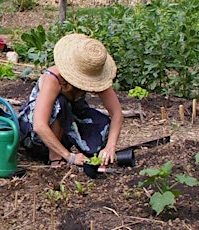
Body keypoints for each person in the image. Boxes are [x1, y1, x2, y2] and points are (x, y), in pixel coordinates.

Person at [18, 33, 123, 167]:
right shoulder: (53, 78)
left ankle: (72, 149)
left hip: (69, 124)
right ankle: (55, 157)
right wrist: (70, 156)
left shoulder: (95, 75)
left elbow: (117, 114)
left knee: (102, 124)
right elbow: (39, 125)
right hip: (36, 133)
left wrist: (110, 147)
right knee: (59, 104)